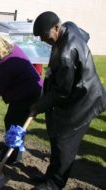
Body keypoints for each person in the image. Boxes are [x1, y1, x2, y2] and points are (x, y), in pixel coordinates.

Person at [31, 11, 106, 190]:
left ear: (57, 27)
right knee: (56, 134)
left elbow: (61, 93)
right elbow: (84, 35)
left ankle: (55, 184)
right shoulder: (68, 28)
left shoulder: (66, 53)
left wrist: (38, 107)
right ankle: (50, 176)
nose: (43, 41)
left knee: (64, 141)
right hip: (76, 93)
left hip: (85, 100)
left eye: (45, 36)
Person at [0, 34, 42, 164]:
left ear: (0, 48)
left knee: (14, 123)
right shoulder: (11, 50)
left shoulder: (9, 64)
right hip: (23, 91)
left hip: (28, 93)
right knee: (15, 122)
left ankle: (11, 157)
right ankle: (15, 152)